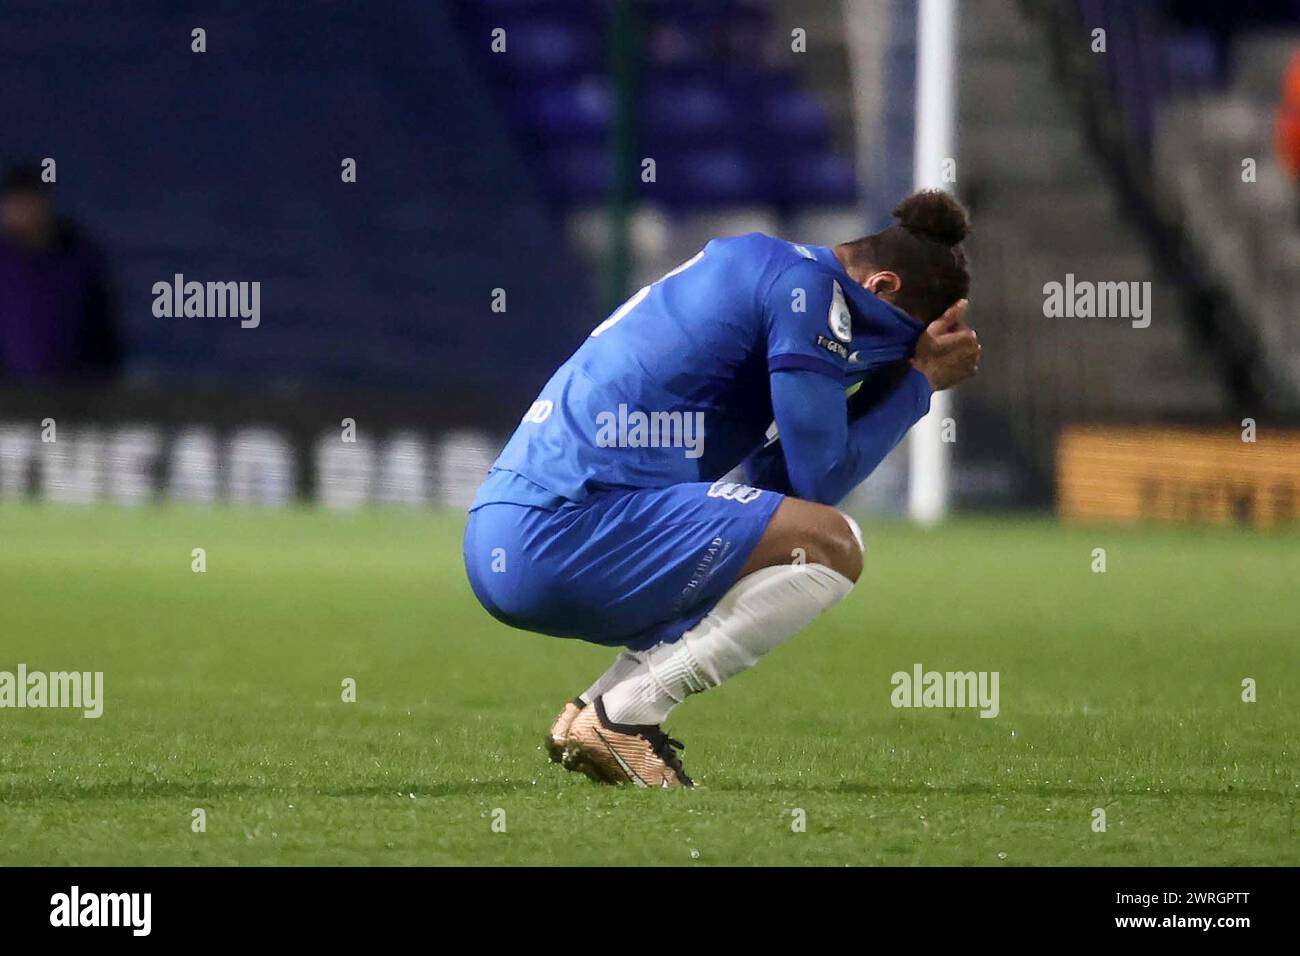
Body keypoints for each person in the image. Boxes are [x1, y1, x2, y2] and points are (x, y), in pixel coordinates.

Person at [463, 190, 981, 787]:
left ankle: (594, 712)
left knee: (765, 543)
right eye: (896, 335)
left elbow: (777, 488)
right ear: (882, 286)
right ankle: (626, 714)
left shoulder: (760, 264)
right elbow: (820, 481)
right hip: (565, 530)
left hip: (511, 525)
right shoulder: (808, 292)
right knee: (834, 546)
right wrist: (917, 383)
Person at [0, 163, 120, 380]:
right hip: (12, 398)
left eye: (28, 202)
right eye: (15, 203)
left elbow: (104, 335)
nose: (20, 212)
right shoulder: (5, 261)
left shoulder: (78, 259)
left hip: (73, 395)